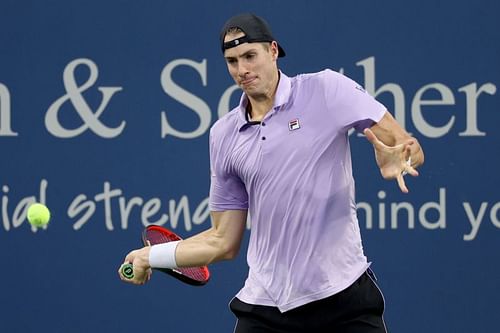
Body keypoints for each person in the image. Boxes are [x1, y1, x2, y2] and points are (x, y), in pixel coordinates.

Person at [119, 13, 424, 333]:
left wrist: (400, 156)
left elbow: (406, 145)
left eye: (250, 56)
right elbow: (222, 241)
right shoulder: (224, 135)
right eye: (232, 61)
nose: (242, 70)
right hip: (266, 308)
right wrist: (151, 257)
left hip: (344, 299)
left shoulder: (327, 89)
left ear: (273, 51)